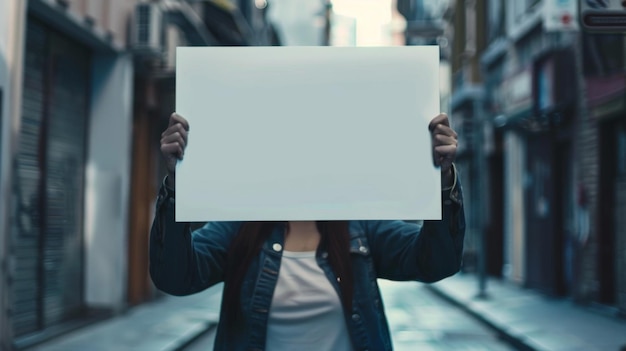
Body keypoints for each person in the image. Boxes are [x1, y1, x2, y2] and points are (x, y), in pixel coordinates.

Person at [150, 112, 465, 351]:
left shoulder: (361, 227)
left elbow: (436, 262)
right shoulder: (239, 227)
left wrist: (442, 177)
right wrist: (179, 184)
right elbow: (175, 277)